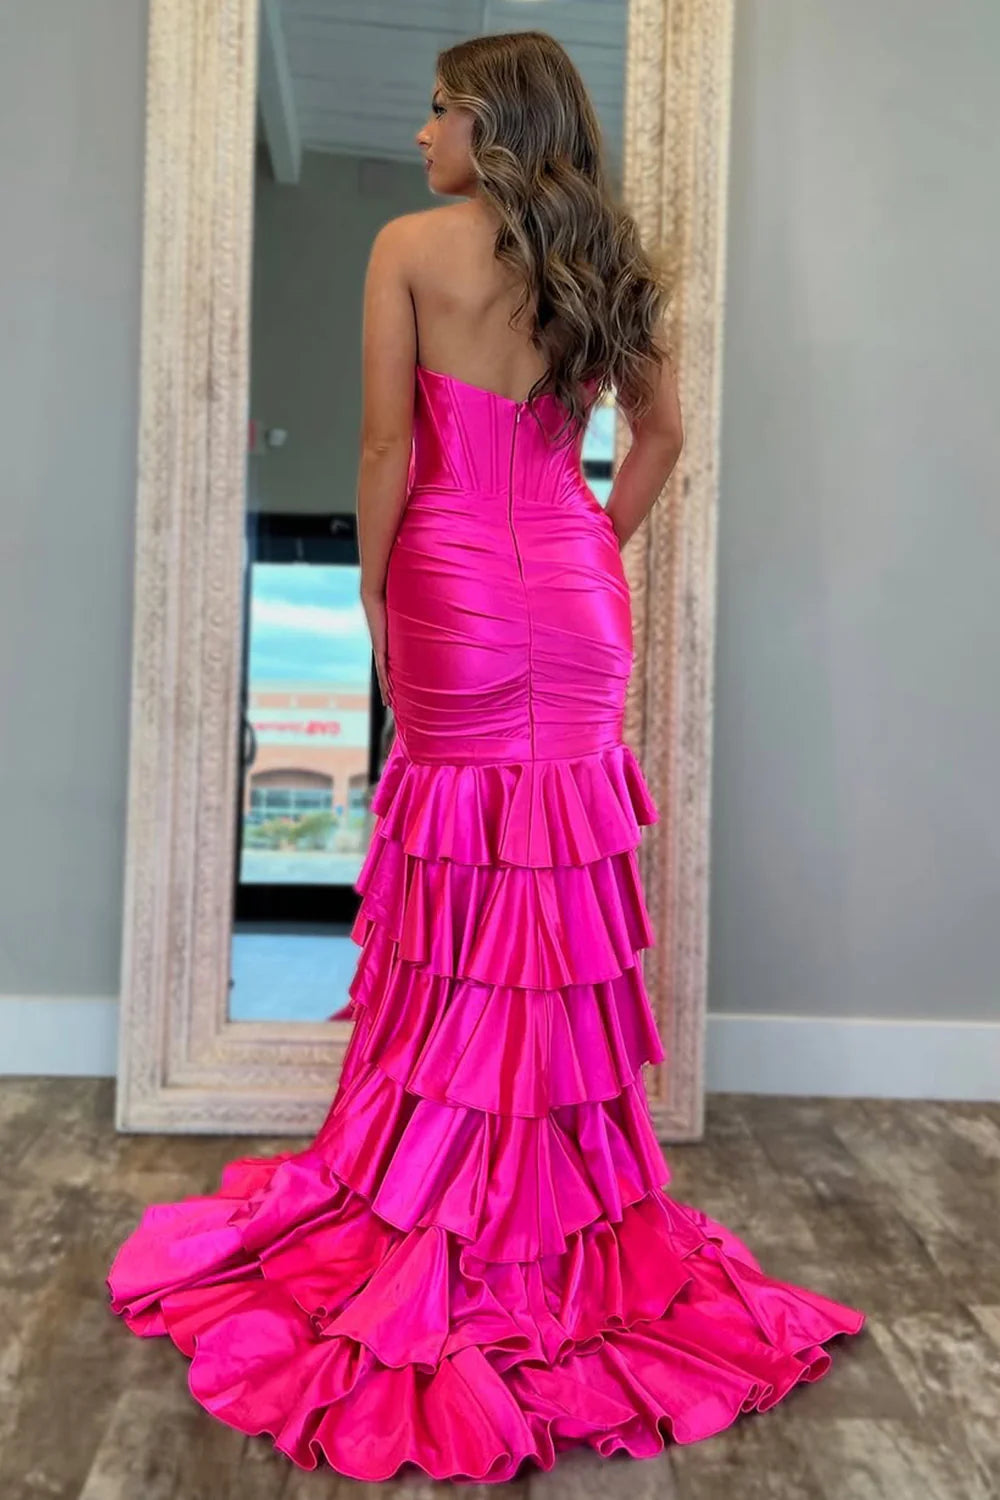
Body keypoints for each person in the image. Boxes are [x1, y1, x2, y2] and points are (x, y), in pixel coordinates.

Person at [106, 30, 866, 1484]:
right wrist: (589, 542)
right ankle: (551, 1219)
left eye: (438, 109)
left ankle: (443, 1199)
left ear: (490, 122)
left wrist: (377, 598)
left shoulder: (408, 247)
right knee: (555, 897)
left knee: (459, 881)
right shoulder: (605, 261)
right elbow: (661, 434)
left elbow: (384, 450)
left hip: (451, 585)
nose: (420, 134)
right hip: (573, 595)